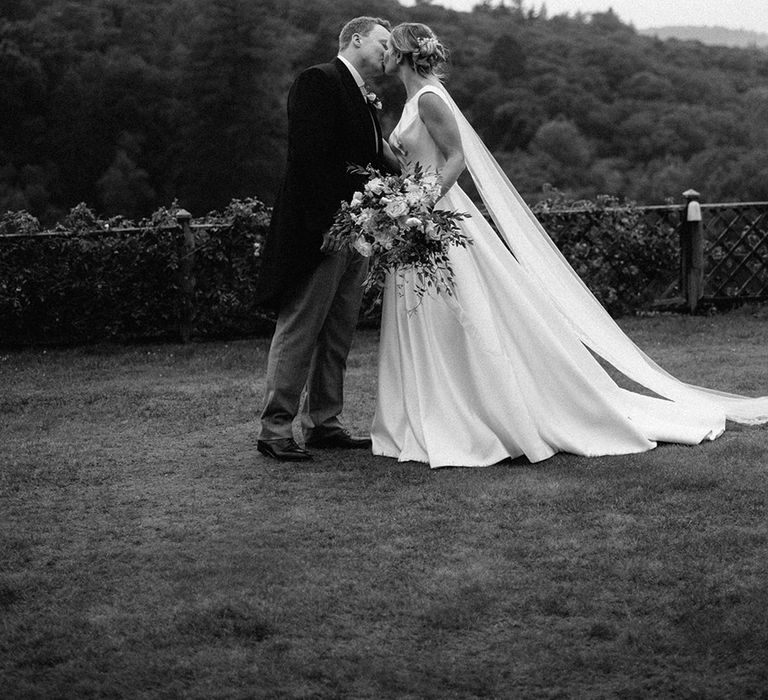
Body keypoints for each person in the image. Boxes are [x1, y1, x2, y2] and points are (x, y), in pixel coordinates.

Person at [371, 22, 768, 468]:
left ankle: (476, 411)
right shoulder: (410, 100)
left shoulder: (428, 98)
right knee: (434, 314)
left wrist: (422, 203)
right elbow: (412, 158)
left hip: (435, 216)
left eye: (388, 47)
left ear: (404, 54)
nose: (382, 54)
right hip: (411, 216)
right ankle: (437, 408)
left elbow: (455, 159)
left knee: (462, 311)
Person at [255, 17, 392, 462]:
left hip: (358, 232)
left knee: (338, 332)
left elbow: (367, 162)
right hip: (323, 231)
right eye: (382, 43)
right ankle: (275, 429)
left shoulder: (365, 97)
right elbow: (309, 161)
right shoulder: (318, 81)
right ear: (355, 39)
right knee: (300, 328)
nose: (388, 53)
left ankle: (324, 423)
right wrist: (331, 227)